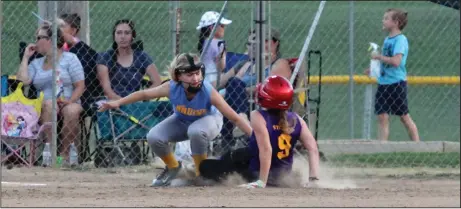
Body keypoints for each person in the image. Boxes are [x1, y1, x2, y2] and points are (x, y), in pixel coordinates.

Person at [97, 53, 253, 187]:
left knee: (196, 131)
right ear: (178, 76)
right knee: (153, 136)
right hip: (182, 121)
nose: (195, 78)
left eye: (198, 73)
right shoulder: (172, 88)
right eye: (190, 74)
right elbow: (143, 94)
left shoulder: (207, 91)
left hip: (209, 121)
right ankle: (173, 167)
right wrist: (117, 102)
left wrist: (255, 137)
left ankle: (202, 172)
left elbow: (234, 117)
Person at [199, 75, 320, 188]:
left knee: (205, 166)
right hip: (282, 175)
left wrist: (262, 181)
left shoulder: (258, 116)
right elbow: (313, 147)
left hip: (257, 172)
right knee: (239, 153)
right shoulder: (296, 119)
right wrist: (313, 179)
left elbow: (266, 149)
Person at [16, 24, 85, 165]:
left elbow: (80, 86)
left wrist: (70, 101)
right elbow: (23, 81)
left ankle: (64, 156)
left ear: (52, 40)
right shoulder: (36, 63)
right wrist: (25, 57)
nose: (36, 41)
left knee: (72, 111)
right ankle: (50, 152)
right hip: (45, 102)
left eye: (39, 37)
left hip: (69, 100)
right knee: (48, 105)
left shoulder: (70, 59)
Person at [365, 8, 420, 142]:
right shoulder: (387, 40)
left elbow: (396, 61)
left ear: (396, 22)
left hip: (396, 84)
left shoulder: (400, 40)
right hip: (383, 84)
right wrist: (373, 69)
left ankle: (418, 146)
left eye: (386, 18)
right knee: (382, 117)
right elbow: (387, 61)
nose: (383, 21)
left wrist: (379, 57)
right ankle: (382, 148)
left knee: (404, 117)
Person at [97, 19, 163, 100]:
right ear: (114, 36)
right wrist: (123, 102)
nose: (123, 36)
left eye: (127, 33)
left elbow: (157, 82)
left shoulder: (142, 56)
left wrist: (142, 97)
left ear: (133, 36)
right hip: (112, 103)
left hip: (136, 103)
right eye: (119, 33)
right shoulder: (105, 57)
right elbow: (107, 91)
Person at [58, 13, 102, 112]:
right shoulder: (50, 50)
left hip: (80, 98)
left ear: (73, 30)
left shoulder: (86, 53)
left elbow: (85, 82)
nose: (56, 30)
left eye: (61, 26)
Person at [196, 11, 232, 83]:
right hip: (215, 82)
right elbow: (222, 67)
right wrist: (223, 52)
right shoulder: (218, 43)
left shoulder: (205, 41)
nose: (224, 28)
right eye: (222, 26)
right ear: (212, 27)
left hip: (204, 79)